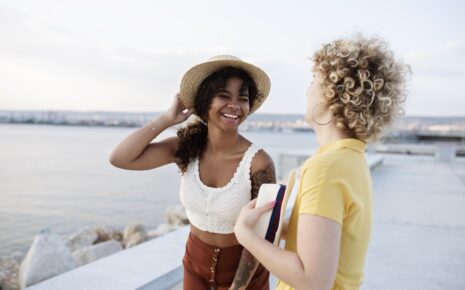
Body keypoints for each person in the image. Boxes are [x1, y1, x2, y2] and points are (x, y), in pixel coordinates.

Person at [234, 35, 409, 290]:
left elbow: (313, 281)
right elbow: (328, 241)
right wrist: (276, 226)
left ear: (332, 94)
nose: (307, 90)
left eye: (313, 80)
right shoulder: (351, 158)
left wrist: (246, 235)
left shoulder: (325, 168)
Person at [109, 55, 276, 290]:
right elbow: (120, 158)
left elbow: (263, 233)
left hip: (245, 274)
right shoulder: (185, 147)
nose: (235, 105)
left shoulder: (259, 162)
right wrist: (167, 119)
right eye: (223, 96)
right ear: (205, 101)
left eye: (243, 98)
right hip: (195, 265)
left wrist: (237, 287)